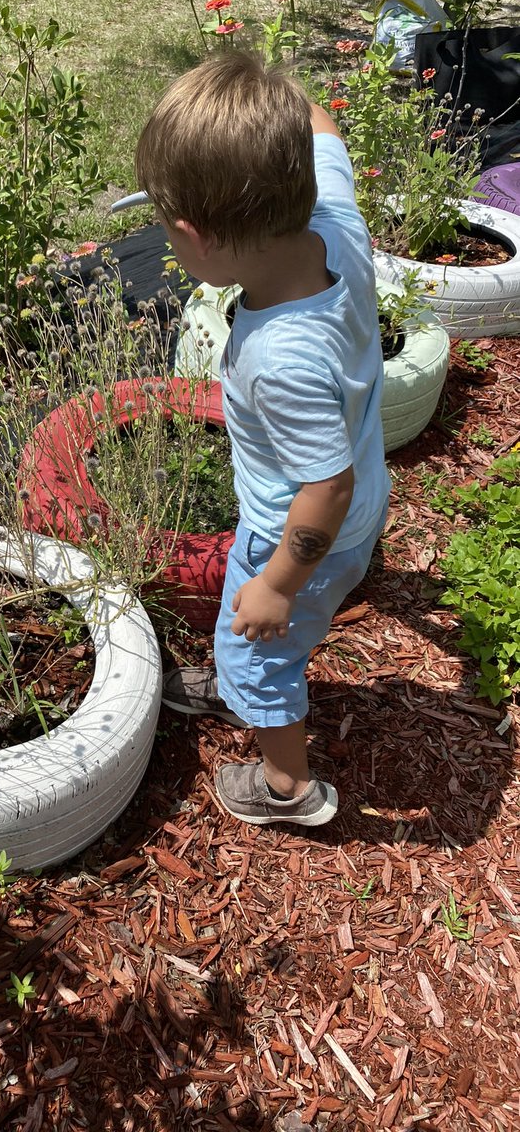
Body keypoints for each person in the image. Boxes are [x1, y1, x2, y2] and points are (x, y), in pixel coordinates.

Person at [136, 50, 390, 828]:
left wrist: (278, 581)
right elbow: (321, 125)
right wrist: (264, 95)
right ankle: (239, 667)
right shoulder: (331, 221)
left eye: (167, 234)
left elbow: (326, 487)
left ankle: (289, 790)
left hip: (300, 531)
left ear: (198, 237)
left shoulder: (284, 360)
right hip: (353, 500)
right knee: (250, 633)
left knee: (264, 646)